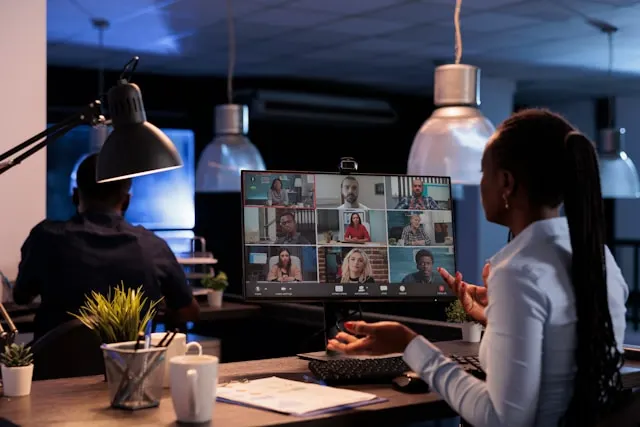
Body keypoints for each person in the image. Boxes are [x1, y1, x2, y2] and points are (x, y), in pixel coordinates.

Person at [327, 109, 629, 427]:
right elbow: (560, 346)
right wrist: (496, 316)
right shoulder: (599, 257)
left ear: (506, 183)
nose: (479, 184)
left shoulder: (518, 273)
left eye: (483, 173)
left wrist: (409, 344)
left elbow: (501, 419)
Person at [13, 154, 200, 340]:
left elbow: (21, 297)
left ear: (76, 196)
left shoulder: (45, 238)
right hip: (128, 366)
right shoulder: (153, 247)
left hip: (54, 367)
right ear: (126, 201)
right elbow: (189, 311)